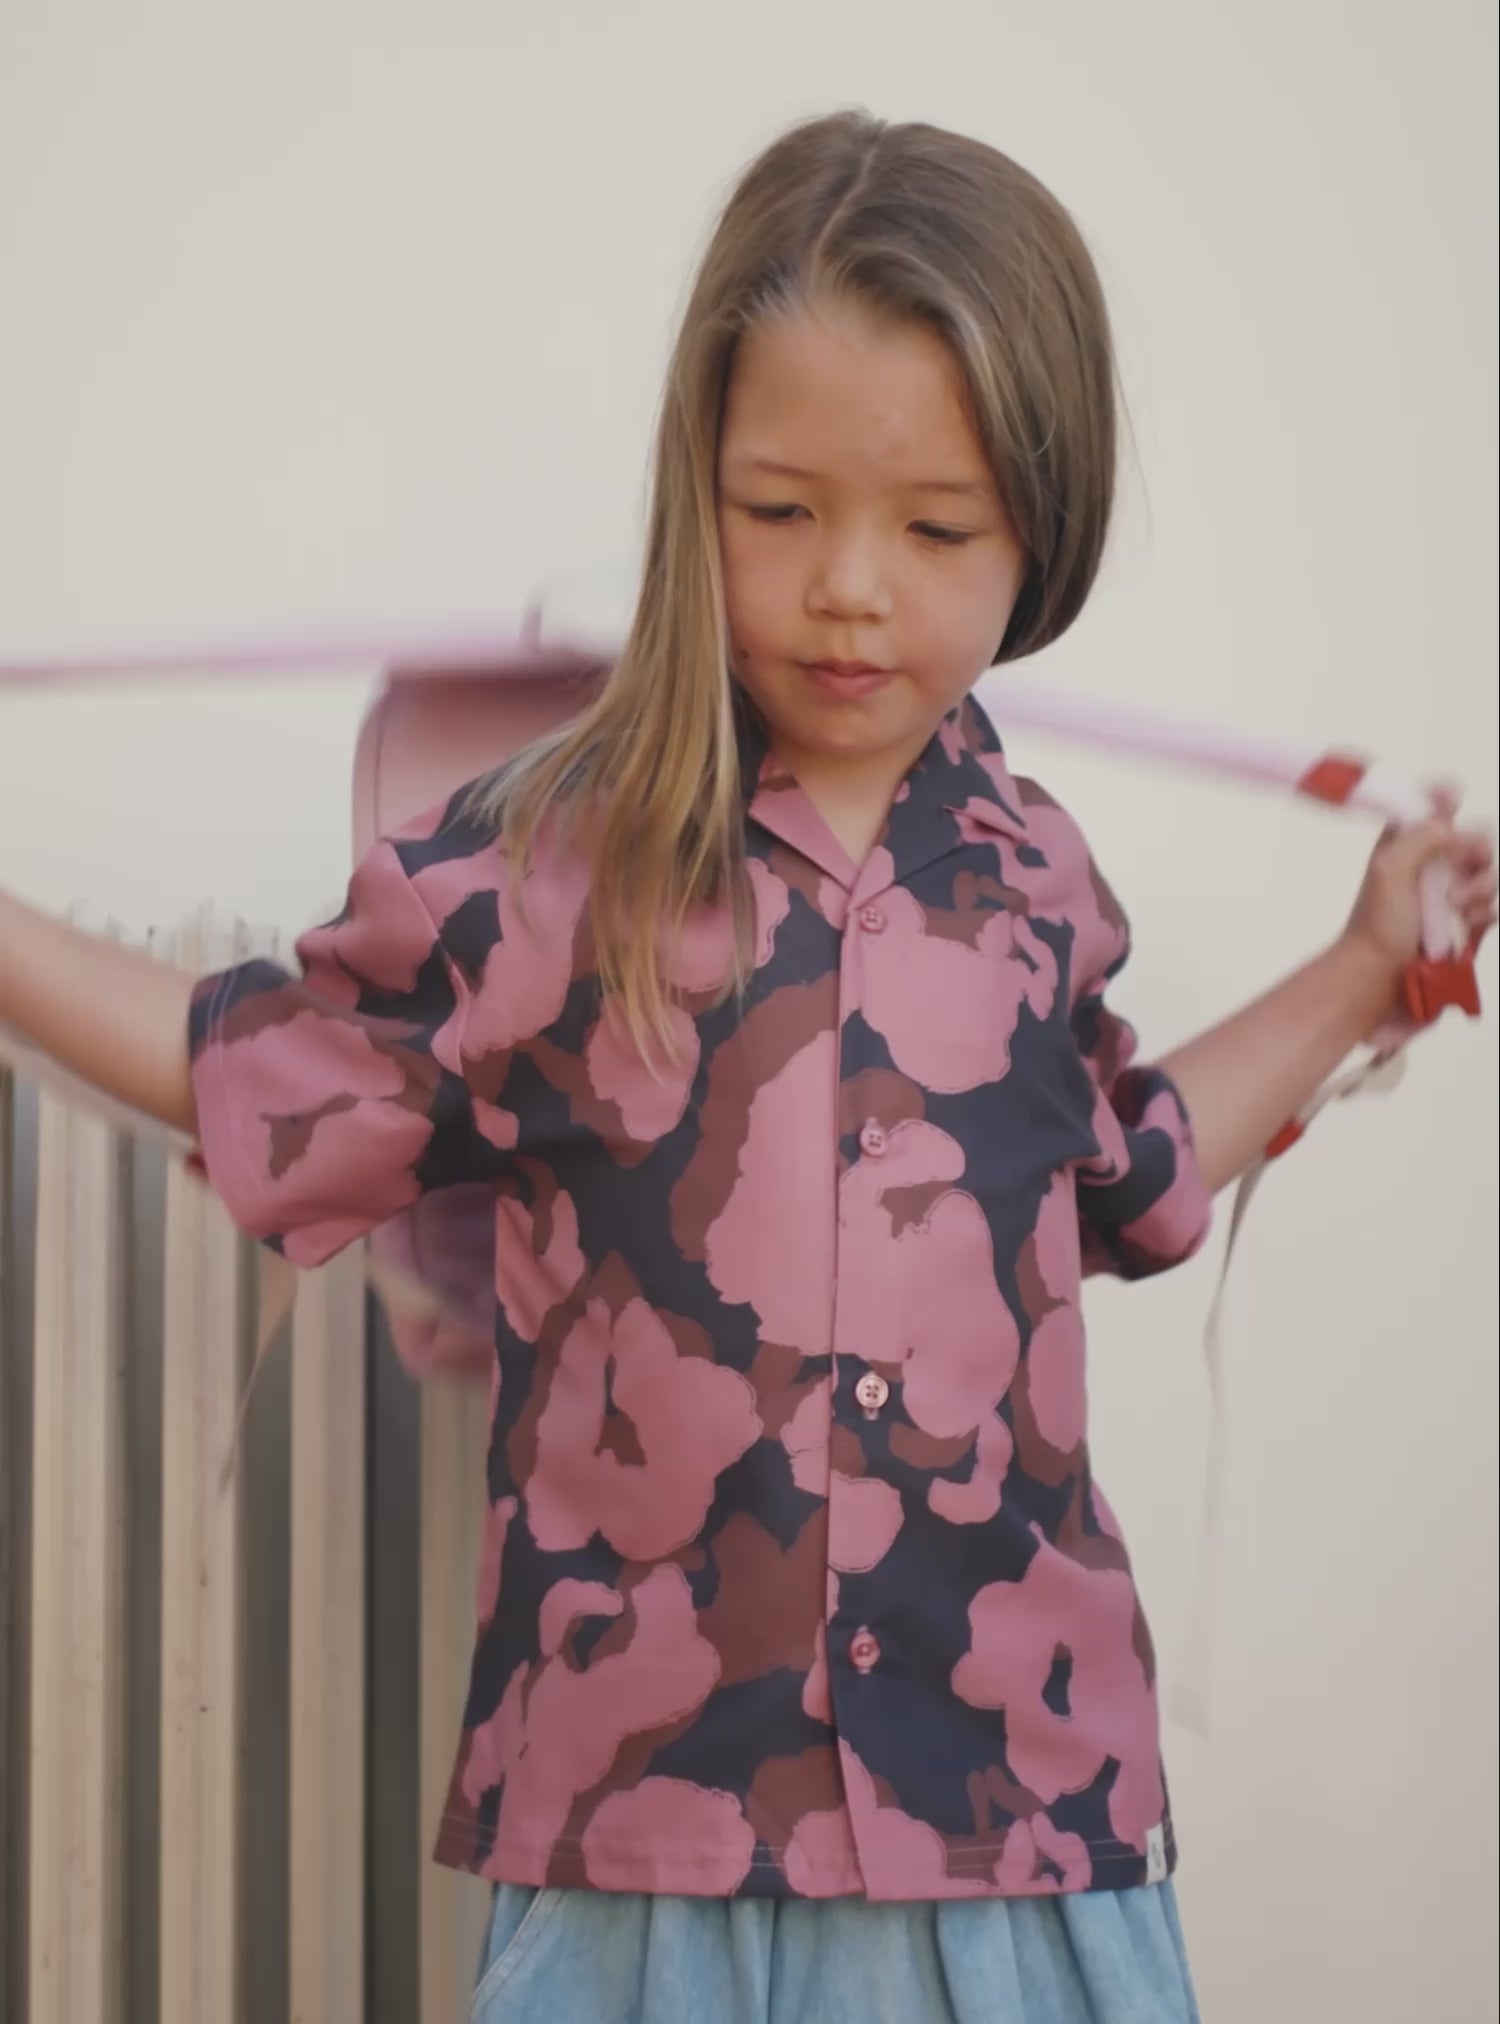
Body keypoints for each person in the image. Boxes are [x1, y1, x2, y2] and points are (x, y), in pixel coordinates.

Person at [1, 110, 1493, 2024]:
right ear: (689, 488)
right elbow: (256, 1079)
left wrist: (1366, 967)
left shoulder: (1037, 883)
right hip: (645, 1857)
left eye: (935, 528)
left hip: (1014, 1841)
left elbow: (1128, 1174)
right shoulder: (553, 863)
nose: (850, 584)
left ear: (1041, 532)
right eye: (778, 510)